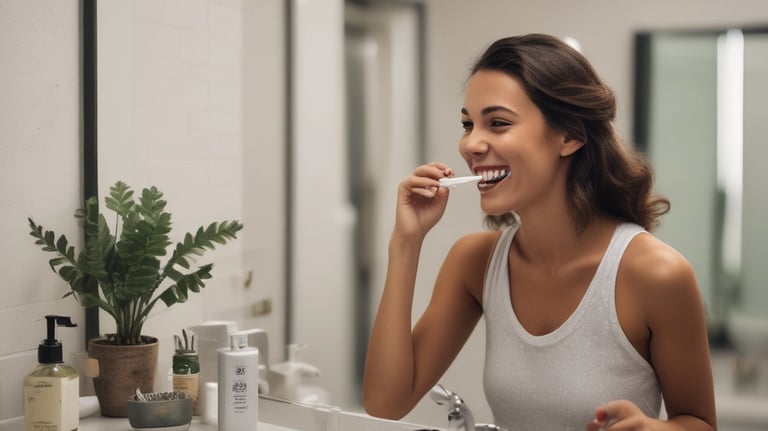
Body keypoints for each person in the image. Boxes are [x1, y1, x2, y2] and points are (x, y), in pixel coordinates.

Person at [362, 33, 716, 431]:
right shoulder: (474, 262)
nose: (471, 144)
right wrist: (405, 244)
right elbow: (385, 404)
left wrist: (654, 429)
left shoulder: (657, 275)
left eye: (497, 123)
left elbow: (699, 423)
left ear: (570, 135)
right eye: (468, 124)